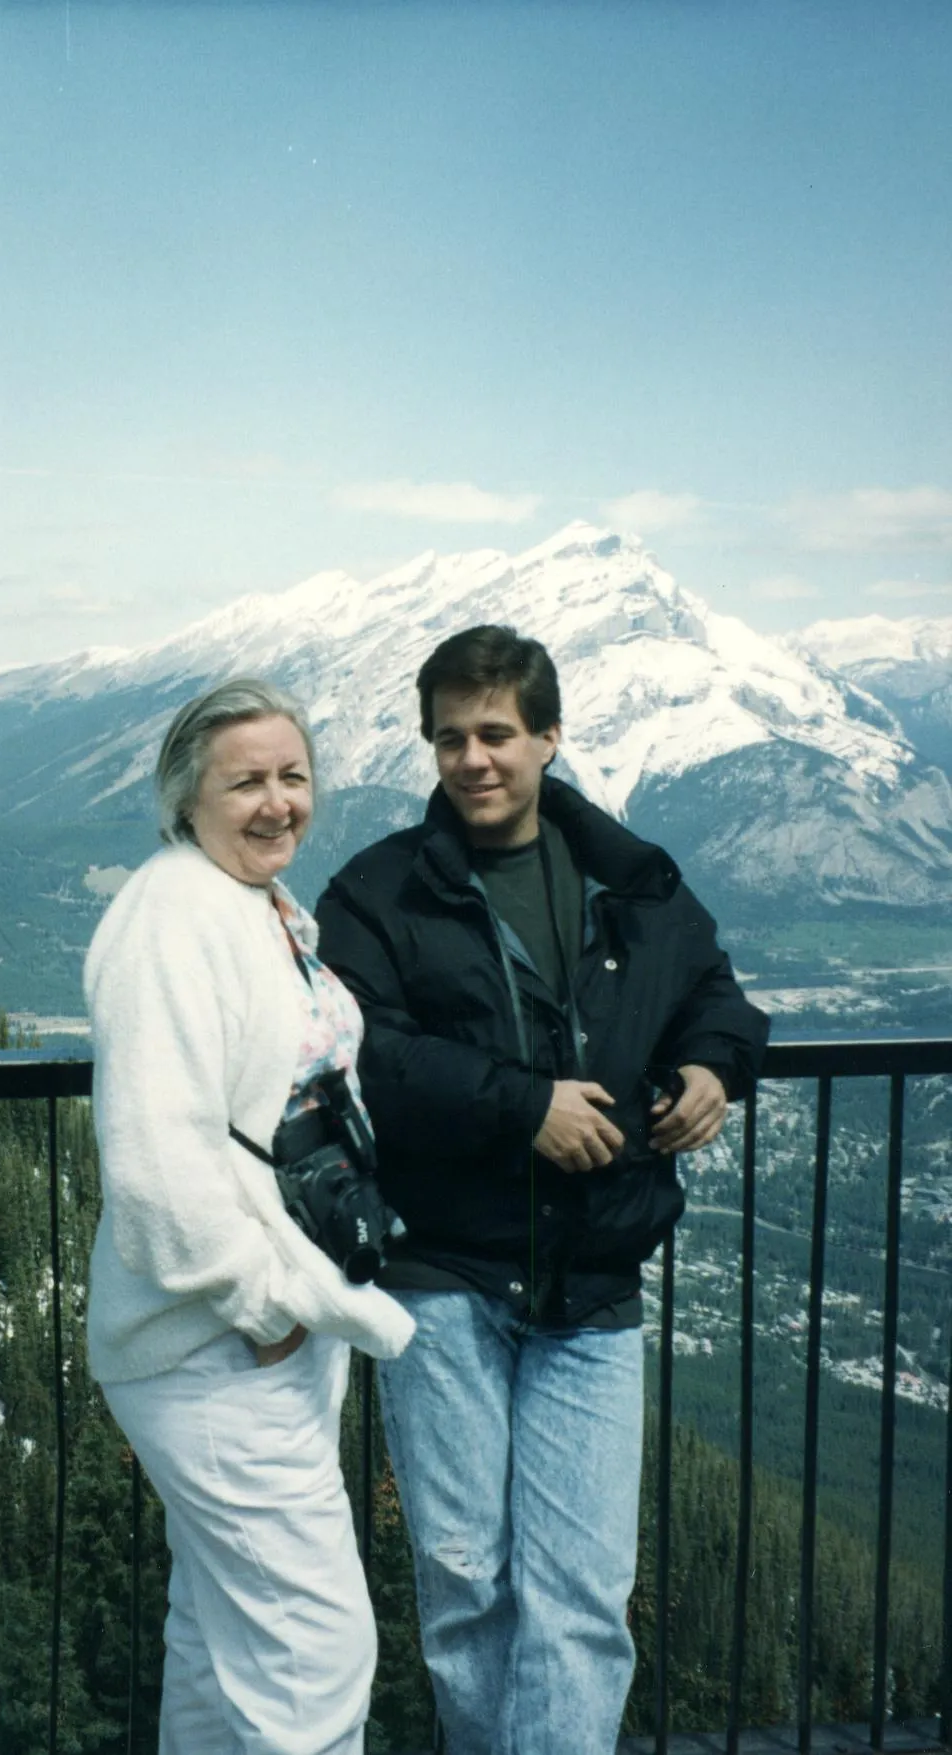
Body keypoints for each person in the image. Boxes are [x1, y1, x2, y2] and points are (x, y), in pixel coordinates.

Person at [315, 624, 769, 1755]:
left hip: (591, 1276)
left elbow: (715, 991)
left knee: (580, 1599)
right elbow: (364, 1053)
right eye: (449, 739)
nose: (473, 759)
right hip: (443, 1275)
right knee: (465, 1586)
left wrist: (716, 1062)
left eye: (497, 734)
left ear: (550, 738)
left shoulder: (633, 881)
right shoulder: (376, 895)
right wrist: (526, 1106)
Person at [85, 677, 415, 1755]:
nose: (276, 802)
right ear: (187, 799)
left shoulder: (248, 902)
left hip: (261, 1330)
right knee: (314, 1647)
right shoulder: (172, 917)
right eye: (245, 783)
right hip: (216, 1338)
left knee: (222, 1630)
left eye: (292, 776)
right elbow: (155, 1164)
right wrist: (260, 1299)